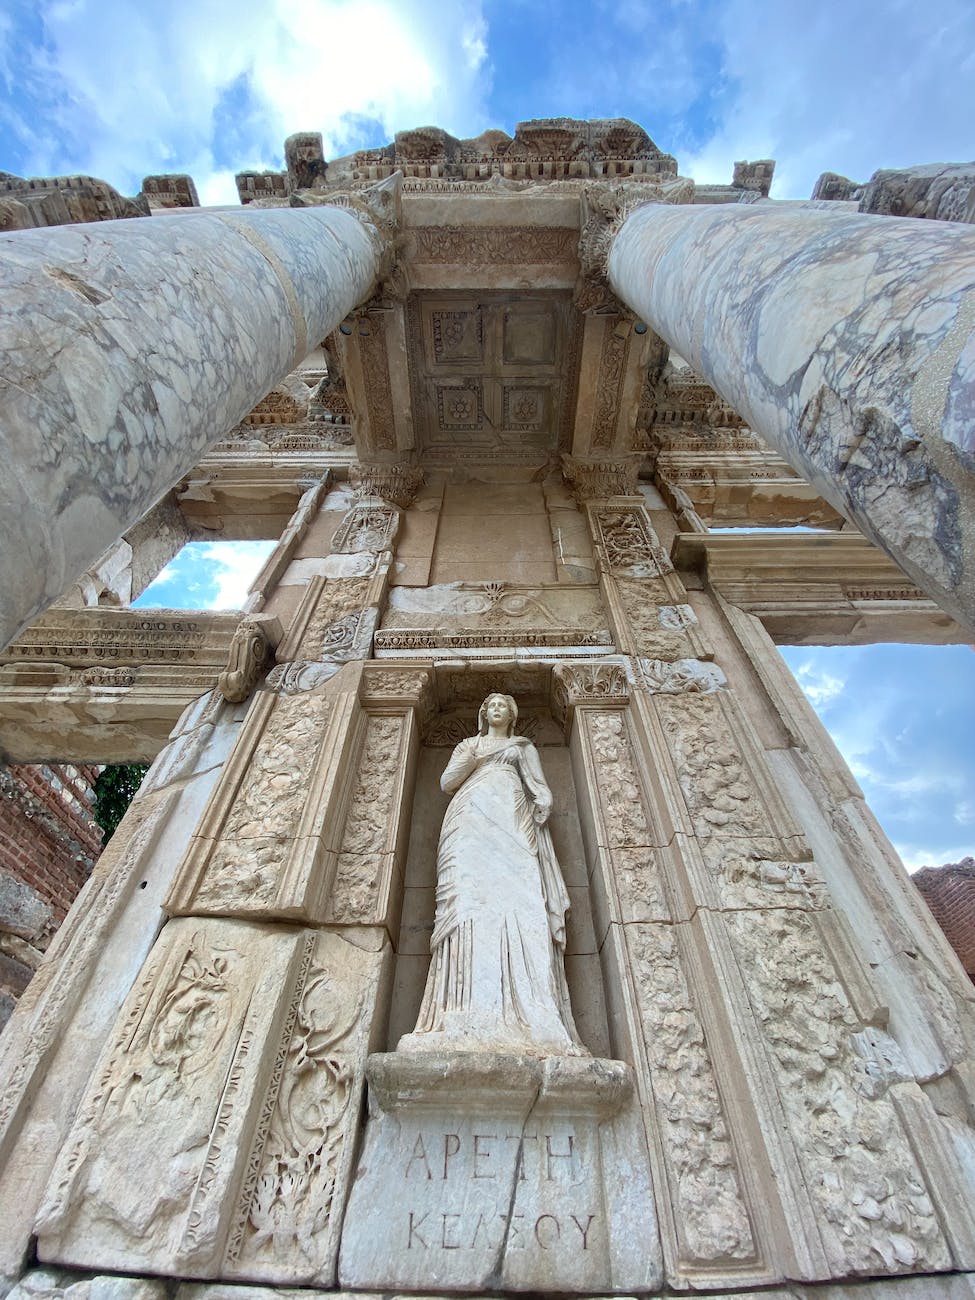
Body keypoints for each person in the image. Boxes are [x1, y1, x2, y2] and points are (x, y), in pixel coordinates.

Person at [398, 692, 585, 1056]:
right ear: (484, 714)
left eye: (503, 706)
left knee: (522, 900)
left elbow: (540, 787)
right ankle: (459, 1009)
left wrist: (544, 801)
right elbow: (447, 782)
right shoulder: (470, 745)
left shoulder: (522, 746)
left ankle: (534, 1010)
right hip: (469, 818)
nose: (497, 709)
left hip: (513, 821)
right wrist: (473, 754)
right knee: (467, 902)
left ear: (512, 715)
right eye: (491, 706)